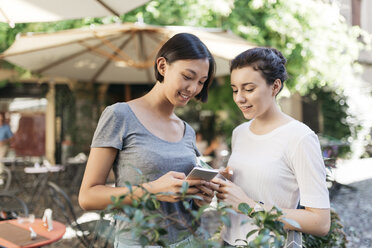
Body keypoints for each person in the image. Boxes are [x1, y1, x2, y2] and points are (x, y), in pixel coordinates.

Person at [79, 33, 217, 247]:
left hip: (189, 240)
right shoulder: (120, 115)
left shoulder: (186, 130)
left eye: (201, 82)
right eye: (188, 77)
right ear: (162, 66)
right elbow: (88, 197)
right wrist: (152, 190)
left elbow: (184, 202)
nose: (193, 89)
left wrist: (200, 198)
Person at [212, 47, 330, 246]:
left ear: (275, 87)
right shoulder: (239, 132)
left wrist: (249, 206)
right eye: (235, 89)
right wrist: (222, 182)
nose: (239, 98)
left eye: (249, 89)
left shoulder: (300, 138)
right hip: (227, 241)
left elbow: (320, 222)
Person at [0, 112, 13, 185]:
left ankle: (1, 178)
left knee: (0, 160)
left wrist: (3, 142)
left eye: (1, 118)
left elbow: (11, 138)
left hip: (3, 147)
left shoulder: (6, 127)